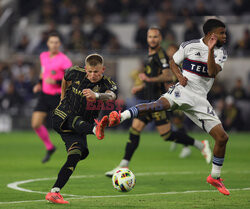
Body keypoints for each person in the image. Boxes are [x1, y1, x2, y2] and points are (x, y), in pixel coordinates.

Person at [103, 19, 230, 195]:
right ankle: (121, 116)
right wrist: (178, 75)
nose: (225, 36)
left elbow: (212, 72)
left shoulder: (221, 53)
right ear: (212, 34)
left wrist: (209, 50)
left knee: (222, 138)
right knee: (157, 106)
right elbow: (173, 61)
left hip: (201, 99)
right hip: (183, 91)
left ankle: (214, 177)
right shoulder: (189, 45)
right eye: (222, 33)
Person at [45, 53, 117, 204]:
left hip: (79, 127)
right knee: (75, 119)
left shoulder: (107, 83)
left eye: (96, 72)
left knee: (76, 154)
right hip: (62, 116)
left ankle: (54, 192)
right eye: (89, 71)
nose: (92, 75)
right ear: (85, 69)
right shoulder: (75, 72)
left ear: (102, 69)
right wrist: (62, 97)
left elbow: (111, 97)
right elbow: (65, 79)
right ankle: (94, 130)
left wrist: (96, 96)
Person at [31, 33, 72, 163]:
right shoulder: (43, 56)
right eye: (51, 42)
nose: (54, 44)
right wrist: (39, 83)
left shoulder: (65, 60)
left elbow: (70, 80)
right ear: (47, 44)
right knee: (36, 124)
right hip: (44, 95)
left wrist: (55, 82)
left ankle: (75, 147)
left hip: (57, 97)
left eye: (56, 42)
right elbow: (43, 72)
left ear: (59, 44)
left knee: (63, 125)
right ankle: (50, 147)